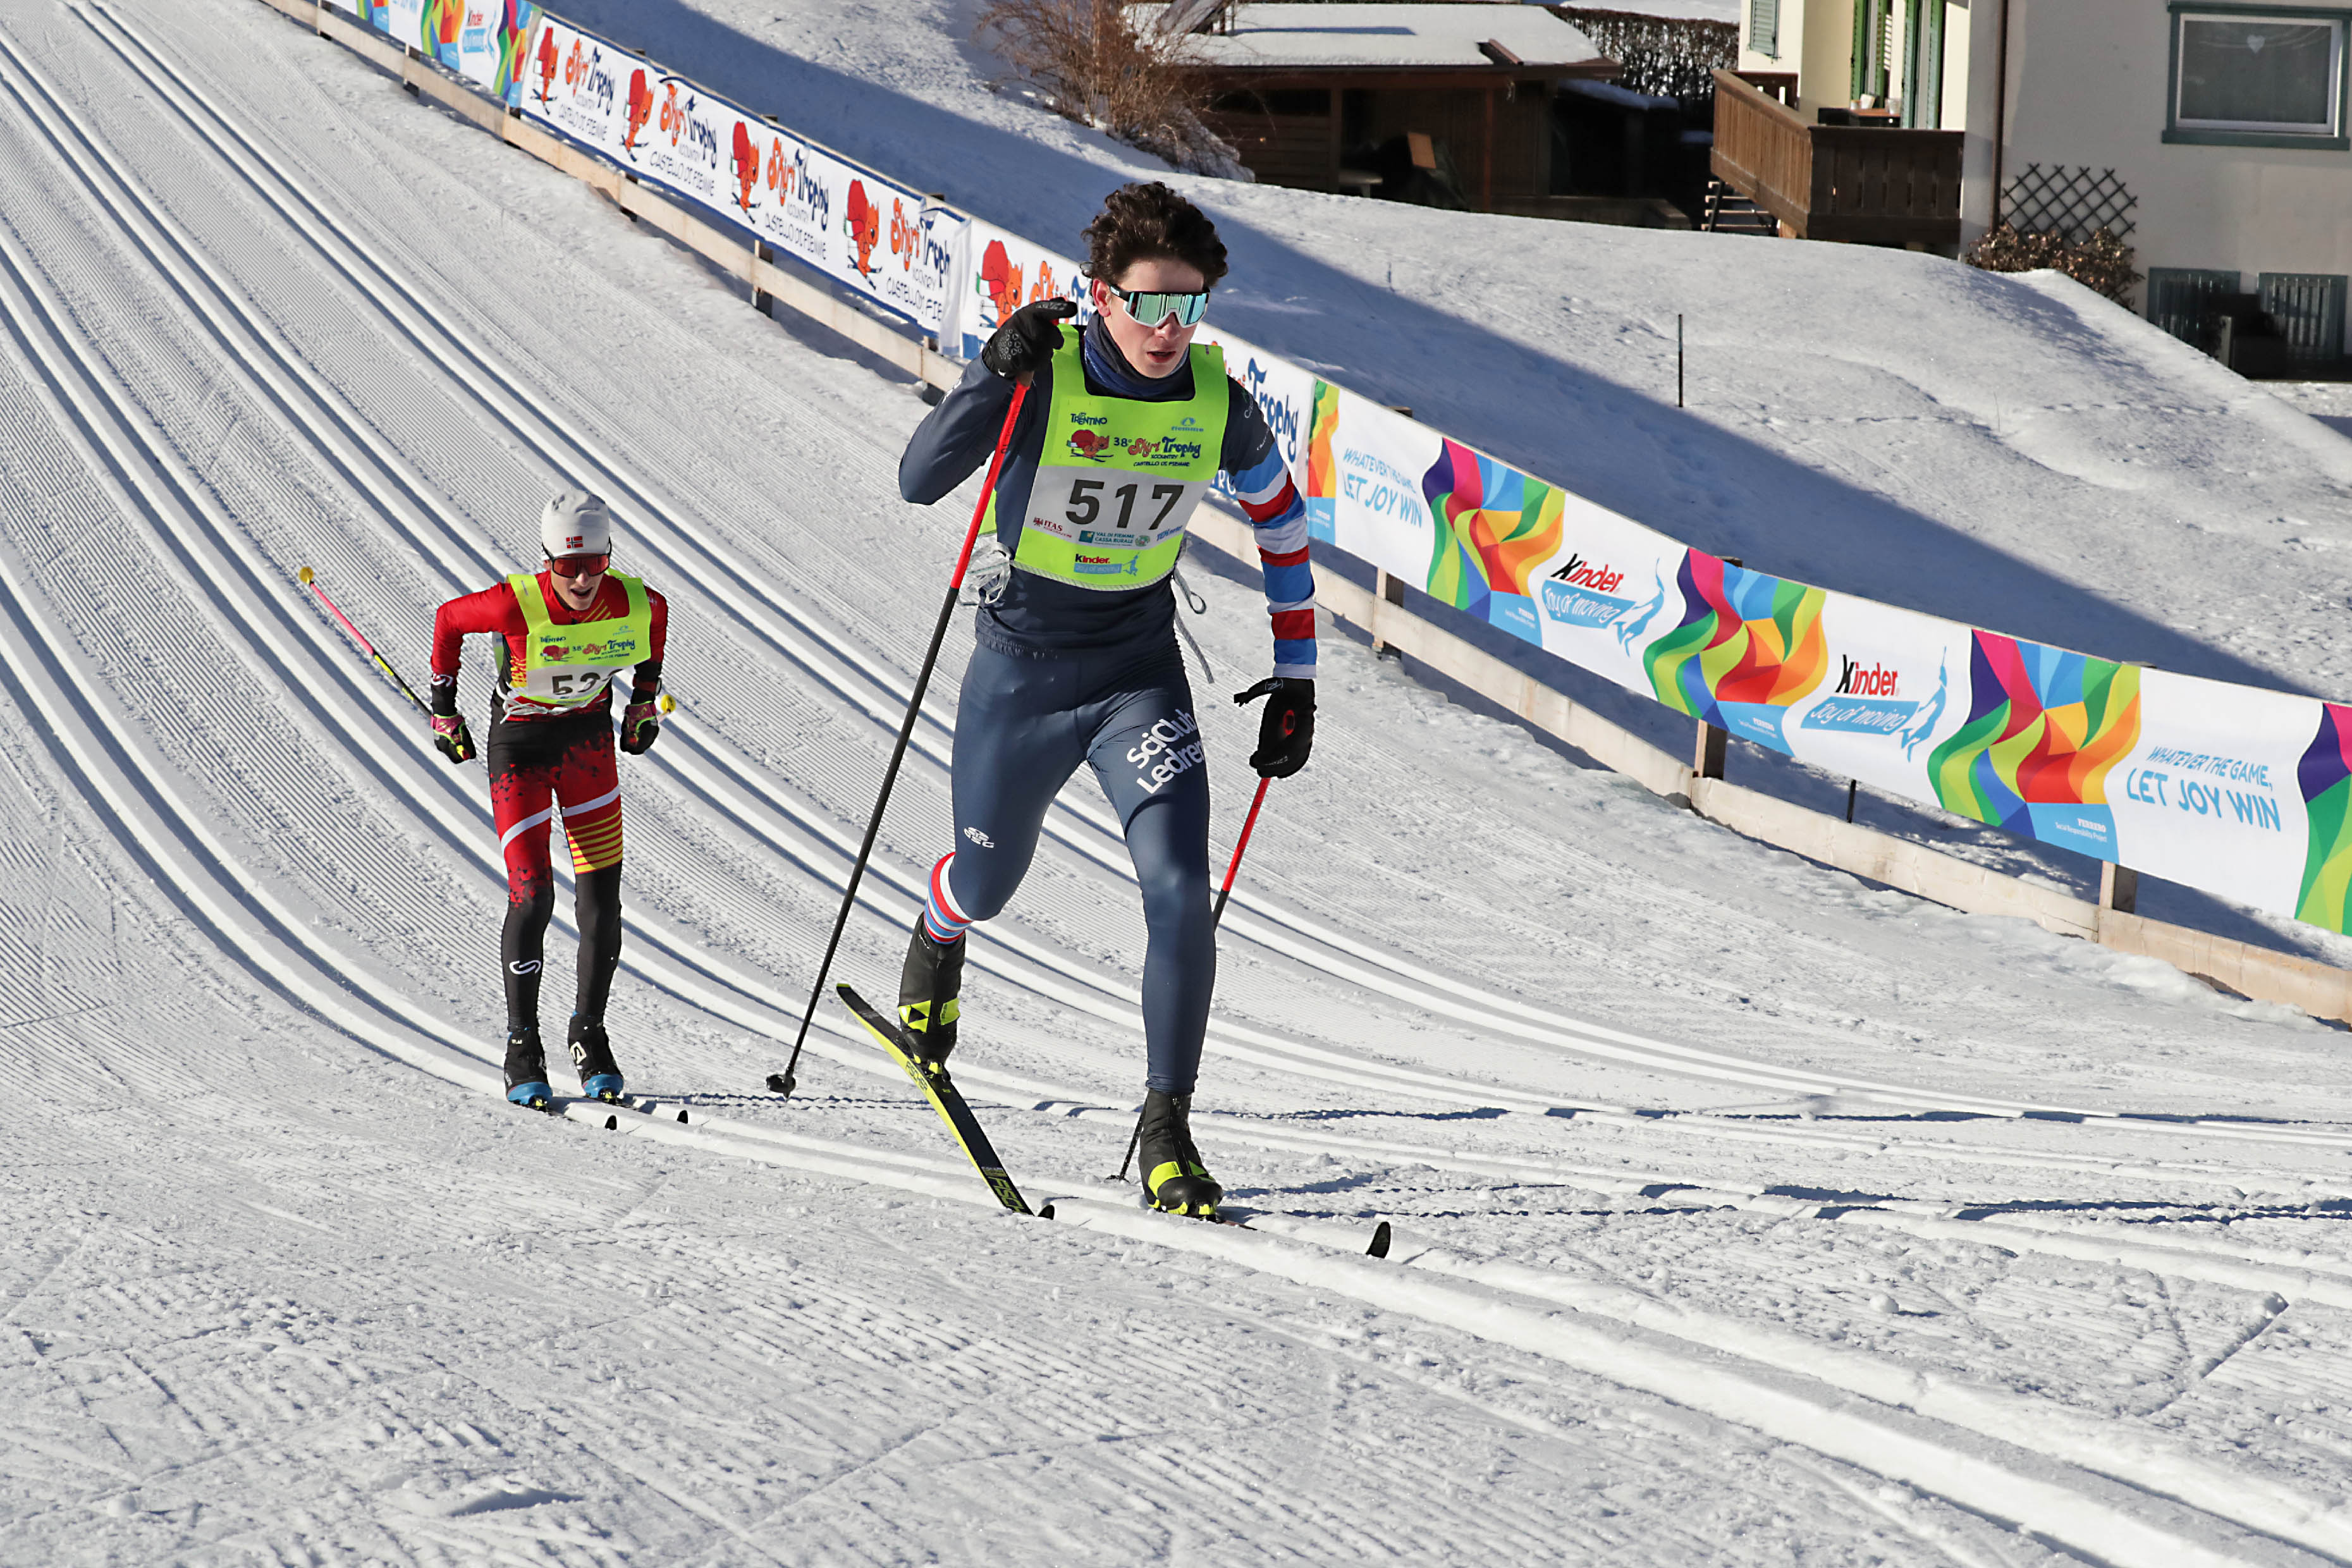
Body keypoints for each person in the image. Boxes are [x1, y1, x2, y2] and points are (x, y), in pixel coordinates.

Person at [896, 181, 1316, 1217]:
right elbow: (919, 481)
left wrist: (1296, 677)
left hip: (1138, 678)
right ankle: (941, 926)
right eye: (1149, 304)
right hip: (1022, 673)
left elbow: (1284, 530)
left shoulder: (1218, 401)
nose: (1169, 329)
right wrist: (989, 373)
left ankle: (1168, 1123)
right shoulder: (1043, 372)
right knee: (989, 887)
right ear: (1101, 297)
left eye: (1190, 306)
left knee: (1178, 889)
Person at [426, 491, 668, 1108]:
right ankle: (522, 1043)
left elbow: (657, 625)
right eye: (568, 566)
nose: (584, 578)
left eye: (594, 562)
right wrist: (444, 709)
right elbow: (450, 619)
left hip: (586, 746)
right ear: (547, 562)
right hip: (522, 751)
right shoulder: (515, 601)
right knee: (533, 895)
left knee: (602, 903)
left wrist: (643, 700)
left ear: (609, 554)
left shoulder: (635, 600)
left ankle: (589, 1032)